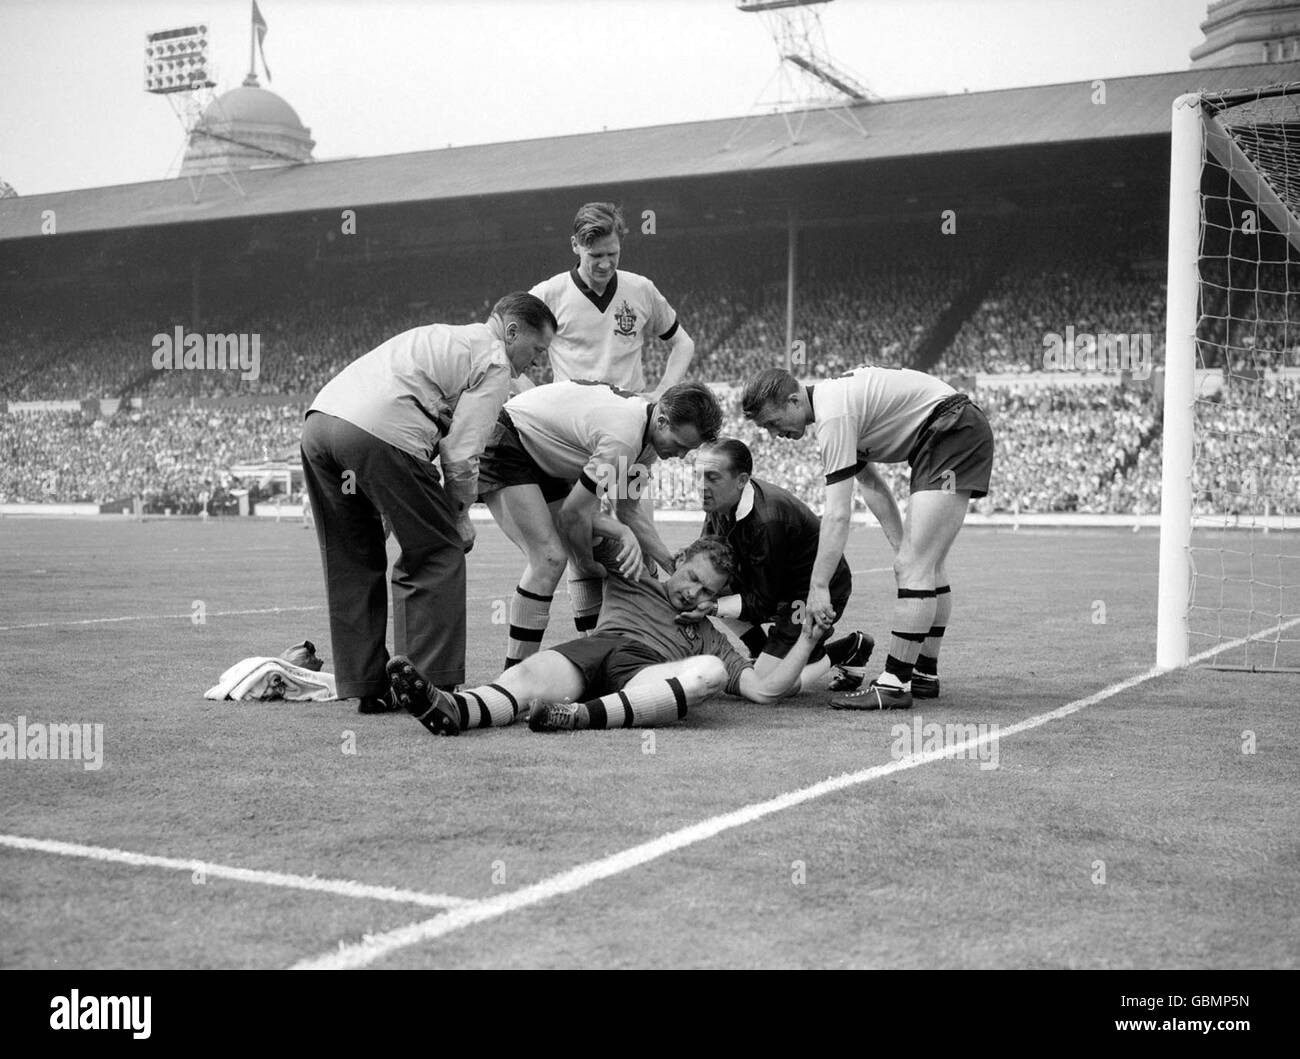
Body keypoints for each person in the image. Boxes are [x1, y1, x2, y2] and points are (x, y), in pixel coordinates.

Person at [301, 292, 557, 714]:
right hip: (381, 433)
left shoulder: (441, 335)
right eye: (537, 349)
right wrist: (458, 517)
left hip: (320, 424)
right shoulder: (494, 362)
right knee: (437, 553)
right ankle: (427, 683)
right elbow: (461, 453)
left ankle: (367, 683)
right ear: (511, 332)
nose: (536, 361)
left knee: (352, 558)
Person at [386, 536, 832, 736]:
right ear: (677, 560)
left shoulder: (711, 637)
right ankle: (451, 709)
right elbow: (580, 530)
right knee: (527, 677)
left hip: (646, 675)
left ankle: (576, 717)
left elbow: (765, 691)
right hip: (598, 649)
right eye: (691, 577)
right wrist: (621, 529)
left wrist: (808, 641)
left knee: (710, 673)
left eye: (706, 590)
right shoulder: (635, 574)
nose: (691, 592)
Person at [741, 365, 994, 710]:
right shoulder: (836, 404)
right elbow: (872, 486)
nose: (773, 433)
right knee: (924, 564)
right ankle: (923, 674)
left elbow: (837, 514)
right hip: (953, 425)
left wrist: (818, 586)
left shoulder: (833, 416)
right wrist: (897, 542)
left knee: (915, 565)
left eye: (772, 422)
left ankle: (894, 684)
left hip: (949, 428)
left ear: (794, 399)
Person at [476, 378, 722, 670]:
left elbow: (628, 509)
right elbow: (572, 516)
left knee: (597, 546)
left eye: (687, 450)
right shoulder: (623, 440)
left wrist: (670, 563)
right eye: (680, 445)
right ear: (663, 420)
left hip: (544, 456)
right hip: (511, 441)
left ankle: (597, 655)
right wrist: (588, 560)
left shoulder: (648, 442)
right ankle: (514, 677)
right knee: (550, 559)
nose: (680, 455)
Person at [689, 437, 874, 691]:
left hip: (806, 596)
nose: (701, 486)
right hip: (776, 585)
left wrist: (710, 607)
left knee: (769, 686)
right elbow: (708, 563)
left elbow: (762, 602)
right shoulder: (721, 500)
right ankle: (761, 649)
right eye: (697, 476)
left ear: (741, 480)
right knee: (711, 588)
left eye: (712, 477)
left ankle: (848, 649)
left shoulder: (768, 521)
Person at [525, 201, 696, 399]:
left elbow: (683, 343)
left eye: (612, 254)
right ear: (575, 245)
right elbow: (502, 344)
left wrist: (662, 392)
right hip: (571, 418)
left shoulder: (641, 289)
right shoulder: (549, 294)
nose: (605, 264)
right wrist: (532, 397)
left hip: (628, 414)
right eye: (595, 255)